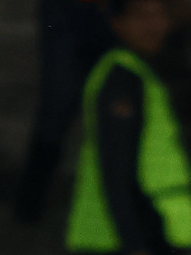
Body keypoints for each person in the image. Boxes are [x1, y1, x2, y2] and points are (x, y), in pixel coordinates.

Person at [65, 0, 191, 255]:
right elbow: (116, 166)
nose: (155, 26)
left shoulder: (139, 74)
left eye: (160, 15)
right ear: (118, 24)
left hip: (143, 233)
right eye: (142, 16)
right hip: (129, 237)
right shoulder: (120, 77)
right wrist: (134, 246)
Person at [11, 0, 117, 223]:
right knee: (57, 106)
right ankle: (30, 200)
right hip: (69, 10)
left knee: (115, 107)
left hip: (112, 11)